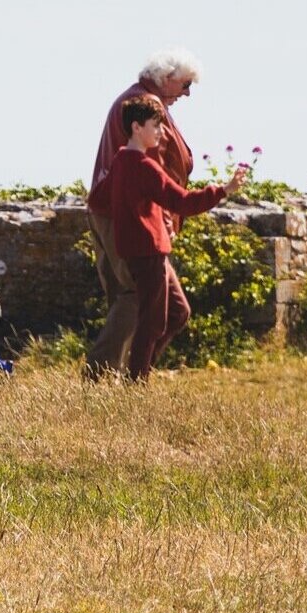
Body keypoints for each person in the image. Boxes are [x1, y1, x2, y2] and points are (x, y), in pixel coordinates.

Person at [90, 94, 248, 378]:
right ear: (137, 128)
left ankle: (138, 372)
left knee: (177, 313)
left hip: (143, 251)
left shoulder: (119, 163)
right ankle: (136, 382)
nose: (161, 132)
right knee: (152, 322)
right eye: (155, 126)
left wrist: (126, 220)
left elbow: (98, 200)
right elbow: (183, 202)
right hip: (147, 251)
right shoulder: (143, 166)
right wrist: (223, 190)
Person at [82, 50, 202, 377]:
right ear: (168, 78)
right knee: (135, 294)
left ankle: (135, 374)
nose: (187, 92)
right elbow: (153, 171)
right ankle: (101, 375)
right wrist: (164, 218)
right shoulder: (145, 106)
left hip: (120, 213)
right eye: (186, 84)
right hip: (127, 217)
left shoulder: (142, 101)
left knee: (172, 310)